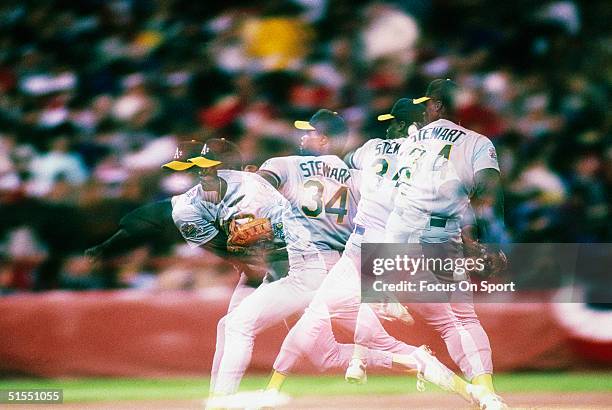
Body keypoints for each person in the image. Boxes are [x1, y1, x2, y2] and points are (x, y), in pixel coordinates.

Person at [212, 100, 481, 409]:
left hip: (303, 272)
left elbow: (259, 187)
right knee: (331, 355)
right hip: (339, 271)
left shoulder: (283, 163)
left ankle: (220, 402)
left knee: (235, 325)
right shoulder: (358, 177)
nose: (303, 137)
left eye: (310, 132)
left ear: (326, 140)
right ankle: (450, 380)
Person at [378, 79, 507, 409]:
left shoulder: (408, 140)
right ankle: (485, 392)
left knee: (367, 307)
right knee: (463, 319)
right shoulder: (477, 142)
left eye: (427, 104)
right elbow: (488, 190)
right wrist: (488, 242)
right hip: (438, 234)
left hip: (395, 231)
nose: (424, 110)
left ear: (437, 105)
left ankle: (385, 297)